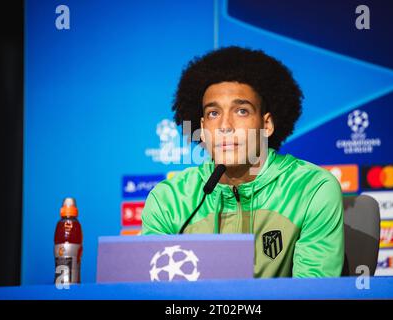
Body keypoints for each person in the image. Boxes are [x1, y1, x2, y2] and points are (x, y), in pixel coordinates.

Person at [141, 46, 344, 278]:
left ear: (266, 124)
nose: (225, 126)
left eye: (241, 111)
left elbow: (312, 295)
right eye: (213, 114)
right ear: (202, 128)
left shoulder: (312, 190)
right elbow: (152, 292)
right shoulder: (170, 199)